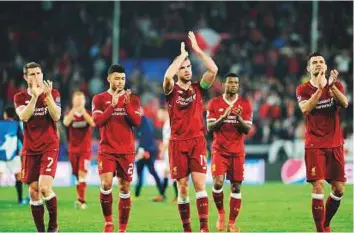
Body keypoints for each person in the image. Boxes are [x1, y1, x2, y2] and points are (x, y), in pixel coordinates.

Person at [162, 31, 218, 232]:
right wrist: (181, 57)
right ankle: (187, 229)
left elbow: (213, 69)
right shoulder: (170, 91)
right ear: (179, 70)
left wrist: (196, 50)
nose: (187, 70)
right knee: (183, 188)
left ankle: (204, 228)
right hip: (177, 143)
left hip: (197, 141)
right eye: (184, 68)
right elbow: (168, 76)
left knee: (199, 185)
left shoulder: (199, 87)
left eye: (189, 67)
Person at [296, 52, 349, 232]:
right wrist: (320, 89)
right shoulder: (302, 89)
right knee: (318, 186)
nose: (318, 65)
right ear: (308, 68)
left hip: (335, 144)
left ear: (326, 67)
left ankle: (325, 224)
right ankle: (320, 230)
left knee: (339, 189)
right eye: (314, 63)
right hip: (315, 145)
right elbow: (305, 108)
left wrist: (332, 87)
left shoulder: (337, 85)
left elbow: (345, 103)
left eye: (321, 62)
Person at [92, 64, 142, 232]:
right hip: (107, 150)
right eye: (117, 78)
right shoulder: (99, 99)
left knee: (124, 188)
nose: (120, 82)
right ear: (109, 79)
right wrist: (112, 106)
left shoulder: (133, 99)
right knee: (106, 184)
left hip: (126, 151)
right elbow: (97, 122)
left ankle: (122, 228)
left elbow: (137, 122)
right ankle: (108, 222)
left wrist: (126, 105)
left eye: (122, 78)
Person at [14, 62, 61, 232]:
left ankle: (54, 225)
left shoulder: (53, 93)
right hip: (30, 149)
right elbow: (24, 117)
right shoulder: (19, 97)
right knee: (34, 192)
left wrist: (47, 97)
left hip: (49, 146)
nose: (36, 77)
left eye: (39, 73)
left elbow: (56, 116)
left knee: (44, 188)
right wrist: (34, 97)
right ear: (26, 78)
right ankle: (41, 231)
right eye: (32, 74)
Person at [206, 73, 252, 232]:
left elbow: (247, 129)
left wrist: (238, 118)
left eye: (236, 83)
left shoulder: (245, 104)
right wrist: (223, 117)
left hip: (237, 152)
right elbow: (210, 127)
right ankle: (221, 213)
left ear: (238, 85)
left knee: (236, 188)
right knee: (217, 183)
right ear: (224, 85)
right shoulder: (214, 103)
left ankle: (231, 224)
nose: (233, 85)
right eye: (230, 82)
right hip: (219, 150)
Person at [63, 91, 95, 209]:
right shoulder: (69, 114)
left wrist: (83, 111)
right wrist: (74, 110)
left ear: (84, 101)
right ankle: (79, 197)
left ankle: (82, 200)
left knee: (82, 173)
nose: (79, 102)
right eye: (77, 100)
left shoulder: (88, 114)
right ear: (73, 101)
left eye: (81, 100)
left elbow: (92, 123)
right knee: (77, 175)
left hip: (85, 149)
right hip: (73, 149)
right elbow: (66, 122)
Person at [134, 111, 164, 201]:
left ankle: (137, 195)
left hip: (147, 150)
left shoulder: (144, 121)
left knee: (147, 172)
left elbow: (146, 136)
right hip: (147, 149)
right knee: (149, 172)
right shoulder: (146, 121)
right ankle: (161, 192)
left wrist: (144, 150)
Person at [0, 106, 24, 204]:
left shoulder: (1, 124)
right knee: (18, 176)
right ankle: (20, 199)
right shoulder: (17, 124)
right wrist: (22, 149)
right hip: (14, 153)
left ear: (5, 114)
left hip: (1, 154)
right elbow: (22, 138)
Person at [158, 108, 178, 203]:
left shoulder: (168, 124)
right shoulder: (167, 123)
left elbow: (168, 140)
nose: (158, 116)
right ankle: (163, 194)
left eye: (160, 113)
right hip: (169, 152)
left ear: (164, 112)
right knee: (166, 172)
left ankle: (178, 195)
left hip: (171, 152)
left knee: (172, 173)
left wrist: (162, 150)